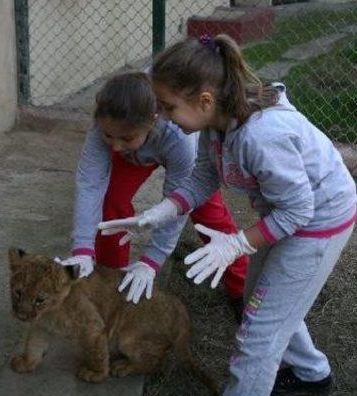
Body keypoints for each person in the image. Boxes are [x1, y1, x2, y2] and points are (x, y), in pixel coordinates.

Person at [98, 35, 357, 396]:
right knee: (259, 298)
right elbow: (206, 175)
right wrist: (161, 212)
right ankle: (312, 375)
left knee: (257, 335)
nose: (162, 118)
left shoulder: (261, 136)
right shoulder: (215, 123)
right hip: (288, 214)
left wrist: (236, 244)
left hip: (318, 223)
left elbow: (300, 211)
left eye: (168, 107)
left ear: (205, 100)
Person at [58, 72, 248, 320]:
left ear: (153, 120)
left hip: (180, 158)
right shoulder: (108, 126)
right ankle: (110, 282)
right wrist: (82, 248)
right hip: (136, 151)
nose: (114, 146)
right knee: (110, 202)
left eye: (125, 137)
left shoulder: (181, 138)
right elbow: (90, 184)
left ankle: (242, 291)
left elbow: (180, 203)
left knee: (208, 217)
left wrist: (152, 260)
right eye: (108, 136)